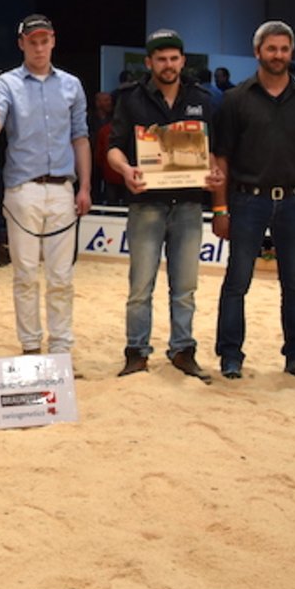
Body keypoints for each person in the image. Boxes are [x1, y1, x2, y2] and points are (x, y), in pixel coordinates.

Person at [210, 20, 295, 380]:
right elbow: (221, 159)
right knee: (237, 282)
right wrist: (219, 208)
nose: (278, 55)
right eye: (271, 48)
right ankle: (230, 356)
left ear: (292, 53)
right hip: (247, 202)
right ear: (257, 51)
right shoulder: (235, 100)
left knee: (294, 284)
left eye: (284, 49)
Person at [106, 29, 220, 380]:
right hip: (146, 205)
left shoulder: (203, 99)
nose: (168, 65)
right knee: (140, 286)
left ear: (183, 61)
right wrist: (126, 170)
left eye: (174, 58)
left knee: (185, 286)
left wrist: (213, 174)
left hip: (187, 205)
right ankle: (136, 352)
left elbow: (211, 151)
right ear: (149, 62)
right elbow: (113, 148)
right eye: (161, 59)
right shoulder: (130, 99)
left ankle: (182, 350)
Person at [0, 14, 90, 357]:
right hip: (23, 189)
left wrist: (85, 186)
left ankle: (60, 349)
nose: (40, 47)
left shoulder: (72, 85)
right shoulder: (6, 84)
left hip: (63, 188)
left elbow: (80, 137)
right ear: (22, 44)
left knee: (62, 277)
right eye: (33, 41)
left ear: (53, 41)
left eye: (45, 40)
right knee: (26, 274)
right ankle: (30, 347)